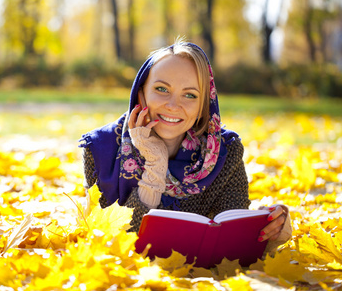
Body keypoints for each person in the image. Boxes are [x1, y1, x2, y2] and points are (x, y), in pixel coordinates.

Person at [79, 39, 291, 254]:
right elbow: (114, 242)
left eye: (190, 95)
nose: (173, 105)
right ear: (141, 94)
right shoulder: (99, 149)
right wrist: (155, 164)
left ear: (203, 105)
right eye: (162, 89)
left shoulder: (224, 151)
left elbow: (231, 239)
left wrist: (268, 232)